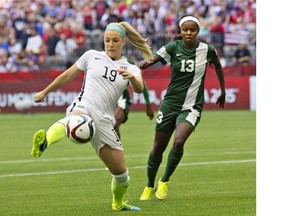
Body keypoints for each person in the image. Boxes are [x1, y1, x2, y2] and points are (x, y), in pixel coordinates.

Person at [31, 21, 153, 211]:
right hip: (84, 105)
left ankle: (118, 204)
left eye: (115, 40)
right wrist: (45, 92)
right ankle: (45, 141)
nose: (110, 44)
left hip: (104, 120)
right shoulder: (92, 56)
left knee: (121, 174)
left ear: (123, 42)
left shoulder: (130, 67)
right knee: (74, 121)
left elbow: (139, 89)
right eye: (107, 40)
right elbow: (67, 76)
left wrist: (133, 79)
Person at [139, 15, 226, 201]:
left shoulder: (207, 50)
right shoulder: (172, 47)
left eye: (192, 30)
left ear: (198, 31)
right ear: (180, 31)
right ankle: (149, 185)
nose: (188, 33)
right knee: (157, 148)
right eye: (185, 30)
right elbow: (153, 59)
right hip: (170, 104)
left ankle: (164, 181)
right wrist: (145, 63)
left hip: (192, 106)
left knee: (178, 142)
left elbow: (218, 67)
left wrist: (223, 91)